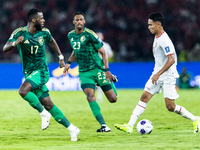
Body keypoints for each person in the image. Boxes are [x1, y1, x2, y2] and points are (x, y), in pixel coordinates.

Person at [114, 12, 199, 134]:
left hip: (167, 75)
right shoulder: (157, 37)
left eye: (151, 25)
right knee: (144, 97)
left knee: (170, 106)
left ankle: (195, 119)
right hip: (157, 74)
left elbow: (171, 60)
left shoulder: (165, 40)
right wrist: (157, 73)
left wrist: (158, 73)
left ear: (158, 25)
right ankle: (129, 125)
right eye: (148, 25)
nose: (149, 27)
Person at [3, 8, 80, 141]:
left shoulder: (44, 32)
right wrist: (16, 43)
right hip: (29, 73)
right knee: (49, 104)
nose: (44, 21)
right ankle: (72, 129)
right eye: (41, 18)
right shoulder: (19, 32)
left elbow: (52, 41)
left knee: (23, 91)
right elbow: (5, 48)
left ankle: (43, 114)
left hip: (42, 71)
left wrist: (61, 57)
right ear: (33, 20)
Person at [63, 11, 118, 132]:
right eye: (76, 20)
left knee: (113, 99)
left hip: (97, 69)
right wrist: (68, 63)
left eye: (81, 20)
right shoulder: (70, 35)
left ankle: (111, 81)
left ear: (84, 22)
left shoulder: (90, 34)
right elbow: (76, 50)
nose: (79, 22)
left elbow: (103, 52)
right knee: (90, 96)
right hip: (84, 72)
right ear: (73, 22)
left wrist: (107, 71)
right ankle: (104, 125)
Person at [96, 31, 114, 102]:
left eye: (100, 36)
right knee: (98, 82)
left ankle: (112, 94)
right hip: (96, 66)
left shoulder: (106, 45)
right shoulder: (93, 45)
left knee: (103, 81)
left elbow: (111, 54)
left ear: (102, 37)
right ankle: (98, 97)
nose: (99, 37)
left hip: (104, 66)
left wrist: (105, 57)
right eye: (98, 36)